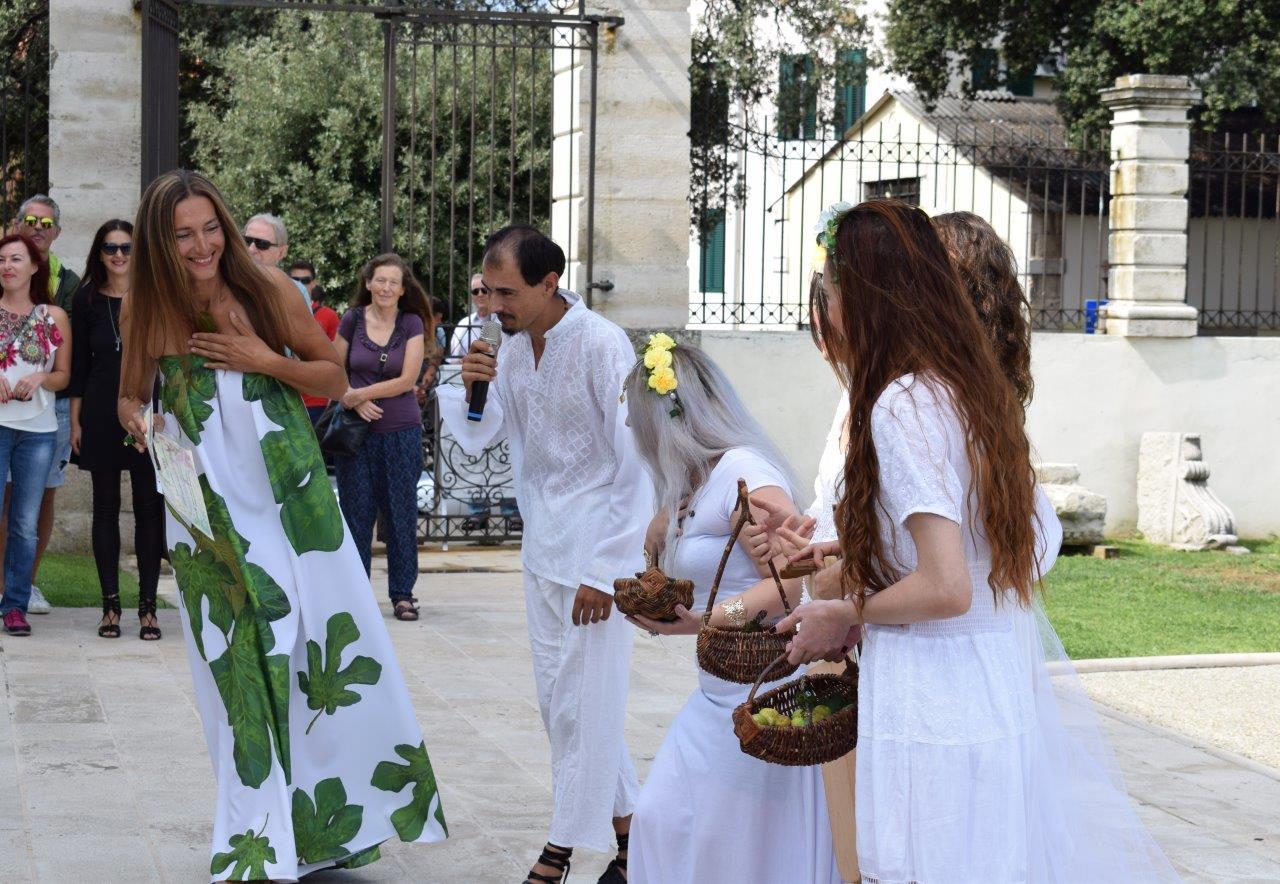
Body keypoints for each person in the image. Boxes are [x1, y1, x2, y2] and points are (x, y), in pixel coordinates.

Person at [772, 200, 1177, 882]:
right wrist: (854, 552)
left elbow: (945, 587)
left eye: (833, 291)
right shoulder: (966, 389)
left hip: (936, 698)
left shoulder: (900, 403)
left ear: (865, 297)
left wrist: (840, 613)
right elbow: (980, 556)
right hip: (987, 691)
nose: (826, 309)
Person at [117, 170, 446, 878]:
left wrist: (262, 359)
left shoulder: (268, 293)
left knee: (307, 644)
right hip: (201, 502)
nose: (201, 245)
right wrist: (140, 422)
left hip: (285, 490)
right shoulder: (145, 307)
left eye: (210, 227)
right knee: (231, 661)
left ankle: (324, 828)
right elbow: (127, 397)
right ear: (158, 242)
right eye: (182, 235)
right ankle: (254, 833)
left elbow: (333, 379)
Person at [439, 225, 648, 884]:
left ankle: (558, 849)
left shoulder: (600, 345)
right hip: (543, 549)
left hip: (596, 556)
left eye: (506, 292)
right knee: (561, 705)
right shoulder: (508, 346)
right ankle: (633, 837)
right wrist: (472, 388)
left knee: (581, 706)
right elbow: (481, 440)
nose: (493, 304)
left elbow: (635, 465)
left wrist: (607, 572)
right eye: (486, 291)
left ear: (549, 282)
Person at [619, 339, 841, 884]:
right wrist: (660, 537)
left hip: (763, 690)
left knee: (725, 841)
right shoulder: (693, 483)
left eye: (636, 421)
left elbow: (789, 584)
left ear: (668, 420)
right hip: (716, 690)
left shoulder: (746, 473)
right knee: (668, 822)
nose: (631, 433)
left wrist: (704, 620)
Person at [68, 219, 165, 641]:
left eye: (126, 247)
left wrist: (165, 414)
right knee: (104, 507)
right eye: (111, 248)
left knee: (149, 507)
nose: (120, 255)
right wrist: (75, 419)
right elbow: (79, 367)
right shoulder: (86, 299)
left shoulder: (155, 298)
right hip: (101, 413)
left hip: (148, 413)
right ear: (100, 252)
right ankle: (110, 606)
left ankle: (148, 608)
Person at [332, 253, 431, 621]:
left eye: (394, 282)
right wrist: (349, 398)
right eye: (380, 280)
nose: (386, 287)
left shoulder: (411, 322)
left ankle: (403, 595)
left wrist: (363, 394)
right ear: (368, 283)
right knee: (356, 516)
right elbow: (330, 366)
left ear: (403, 290)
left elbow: (408, 379)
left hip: (400, 432)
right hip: (355, 435)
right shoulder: (351, 320)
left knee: (400, 514)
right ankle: (357, 596)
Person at [0, 195, 81, 615]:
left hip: (47, 417)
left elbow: (69, 365)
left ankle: (21, 593)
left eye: (45, 223)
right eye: (29, 220)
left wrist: (47, 382)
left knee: (34, 508)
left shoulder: (67, 287)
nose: (37, 227)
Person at [289, 259, 341, 424]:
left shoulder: (329, 316)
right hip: (287, 398)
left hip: (317, 401)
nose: (300, 284)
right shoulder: (277, 312)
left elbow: (337, 359)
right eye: (295, 280)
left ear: (314, 283)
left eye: (305, 280)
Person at [243, 212, 309, 304]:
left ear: (281, 252)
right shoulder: (225, 282)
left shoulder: (296, 291)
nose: (251, 249)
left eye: (262, 244)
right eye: (247, 241)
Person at [449, 273, 490, 359]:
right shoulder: (463, 324)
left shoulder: (502, 322)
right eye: (475, 291)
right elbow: (454, 359)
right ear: (472, 296)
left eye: (484, 290)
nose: (480, 294)